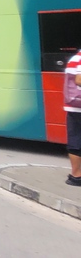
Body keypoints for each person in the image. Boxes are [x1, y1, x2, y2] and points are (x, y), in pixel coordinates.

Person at [64, 50, 81, 186]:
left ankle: (76, 176)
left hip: (74, 105)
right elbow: (79, 79)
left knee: (75, 139)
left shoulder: (75, 58)